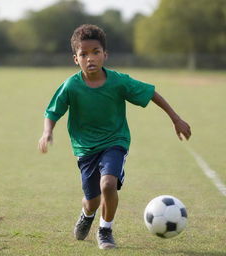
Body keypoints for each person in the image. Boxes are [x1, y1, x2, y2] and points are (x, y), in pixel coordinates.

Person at [38, 24, 191, 250]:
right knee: (92, 201)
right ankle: (87, 215)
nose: (90, 58)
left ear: (105, 55)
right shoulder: (71, 86)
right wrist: (47, 131)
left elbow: (151, 94)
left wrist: (175, 118)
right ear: (75, 59)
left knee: (108, 184)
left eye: (96, 52)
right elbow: (52, 111)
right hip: (85, 149)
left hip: (115, 142)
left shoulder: (118, 81)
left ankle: (105, 230)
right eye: (84, 54)